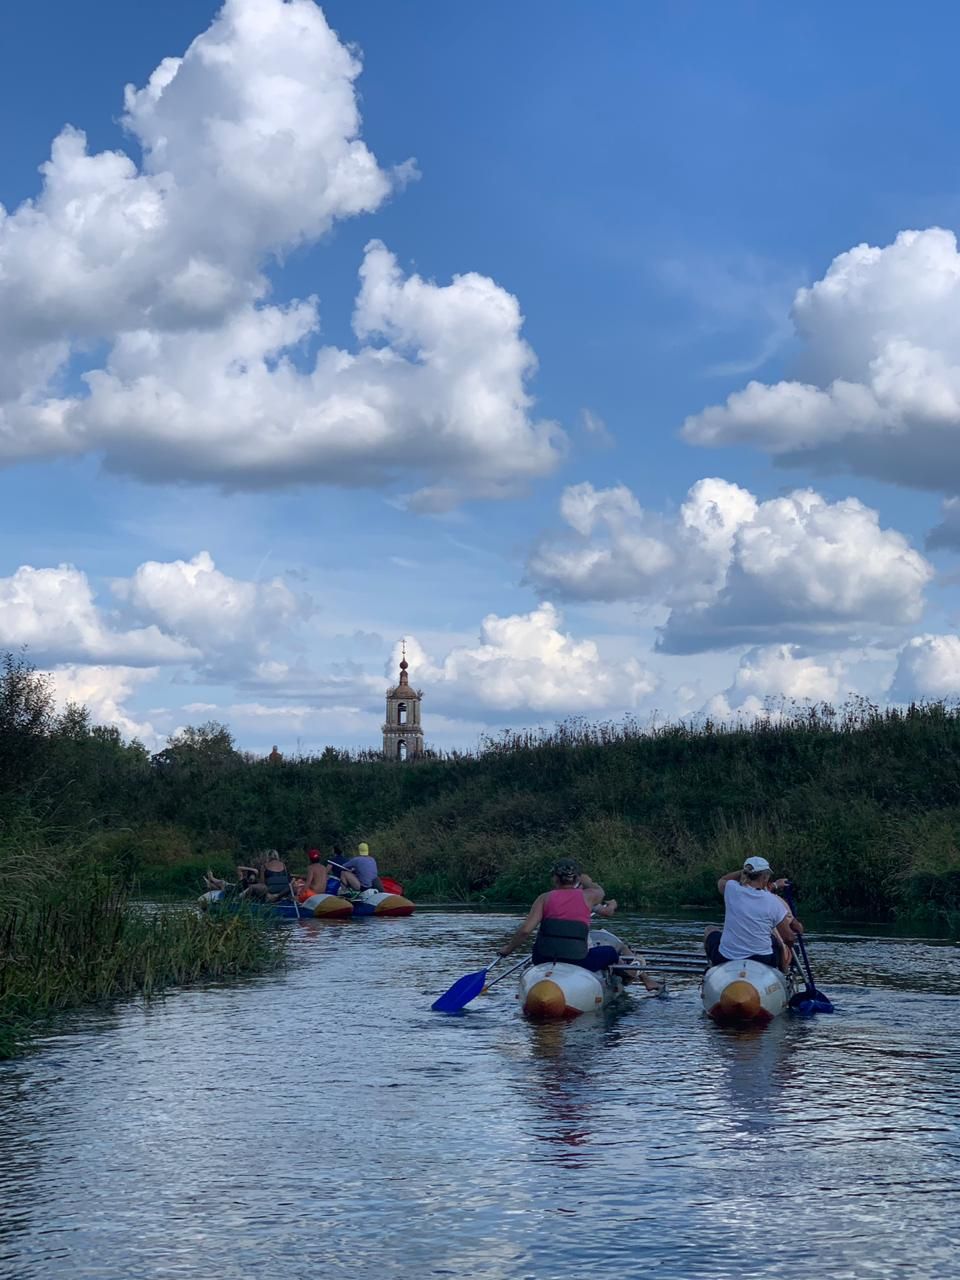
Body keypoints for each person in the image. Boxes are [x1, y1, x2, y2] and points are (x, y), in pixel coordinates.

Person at [497, 860, 663, 991]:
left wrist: (507, 949)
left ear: (554, 878)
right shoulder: (589, 896)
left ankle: (641, 978)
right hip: (577, 959)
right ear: (577, 878)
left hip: (542, 958)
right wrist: (590, 882)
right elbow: (601, 892)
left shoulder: (544, 898)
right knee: (610, 952)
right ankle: (637, 977)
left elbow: (525, 931)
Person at [703, 856, 803, 972]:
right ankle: (783, 972)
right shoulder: (773, 901)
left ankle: (712, 968)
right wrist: (787, 950)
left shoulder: (732, 889)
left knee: (709, 930)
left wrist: (744, 871)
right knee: (778, 942)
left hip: (726, 957)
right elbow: (789, 937)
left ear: (746, 874)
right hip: (762, 959)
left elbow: (722, 880)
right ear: (765, 877)